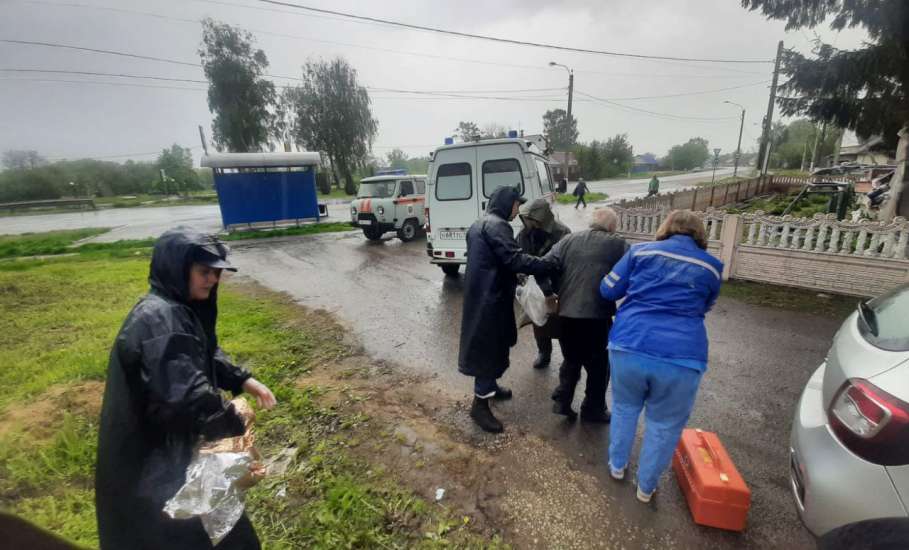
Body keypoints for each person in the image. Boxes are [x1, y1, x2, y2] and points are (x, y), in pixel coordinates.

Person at [96, 227, 277, 550]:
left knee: (228, 535)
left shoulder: (173, 309)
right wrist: (234, 422)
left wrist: (241, 379)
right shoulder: (159, 322)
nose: (212, 280)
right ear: (177, 270)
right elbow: (186, 398)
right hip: (153, 469)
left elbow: (201, 352)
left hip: (173, 457)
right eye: (204, 271)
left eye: (216, 273)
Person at [600, 210, 723, 503]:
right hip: (682, 356)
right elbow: (706, 305)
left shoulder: (640, 252)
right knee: (664, 424)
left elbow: (607, 290)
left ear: (665, 227)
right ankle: (646, 488)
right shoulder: (712, 267)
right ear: (699, 234)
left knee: (625, 408)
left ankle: (617, 467)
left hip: (630, 343)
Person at [459, 186, 557, 433]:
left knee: (492, 345)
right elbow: (514, 259)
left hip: (481, 294)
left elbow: (494, 259)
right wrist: (546, 264)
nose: (517, 210)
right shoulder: (498, 226)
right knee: (488, 349)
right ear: (506, 203)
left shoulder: (478, 223)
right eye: (516, 204)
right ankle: (480, 405)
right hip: (490, 298)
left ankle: (490, 387)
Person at [540, 207, 627, 422]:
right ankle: (593, 409)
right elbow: (631, 272)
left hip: (567, 313)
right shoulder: (618, 244)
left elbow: (546, 264)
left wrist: (550, 291)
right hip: (597, 315)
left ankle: (563, 401)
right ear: (612, 226)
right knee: (598, 364)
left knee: (571, 359)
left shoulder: (568, 240)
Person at [516, 198, 571, 369]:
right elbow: (519, 254)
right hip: (536, 283)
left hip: (558, 283)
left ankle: (567, 357)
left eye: (531, 219)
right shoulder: (525, 232)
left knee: (561, 321)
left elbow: (567, 259)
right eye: (526, 219)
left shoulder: (562, 232)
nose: (528, 223)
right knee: (538, 318)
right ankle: (543, 352)